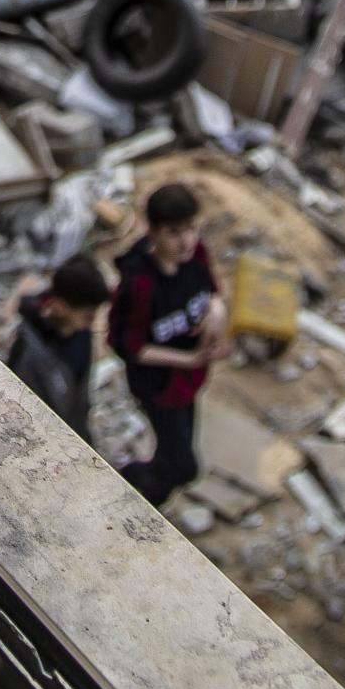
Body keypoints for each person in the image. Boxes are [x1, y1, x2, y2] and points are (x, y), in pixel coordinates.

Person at [109, 182, 230, 507]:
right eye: (174, 233)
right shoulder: (141, 284)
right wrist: (190, 359)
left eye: (191, 229)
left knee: (175, 451)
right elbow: (130, 347)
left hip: (186, 381)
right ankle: (129, 483)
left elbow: (213, 290)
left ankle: (152, 495)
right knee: (183, 467)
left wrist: (216, 310)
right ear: (154, 233)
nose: (186, 241)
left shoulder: (196, 256)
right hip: (159, 386)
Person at [3, 254, 112, 440]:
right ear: (61, 307)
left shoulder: (81, 336)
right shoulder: (26, 346)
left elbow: (80, 393)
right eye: (87, 316)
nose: (91, 324)